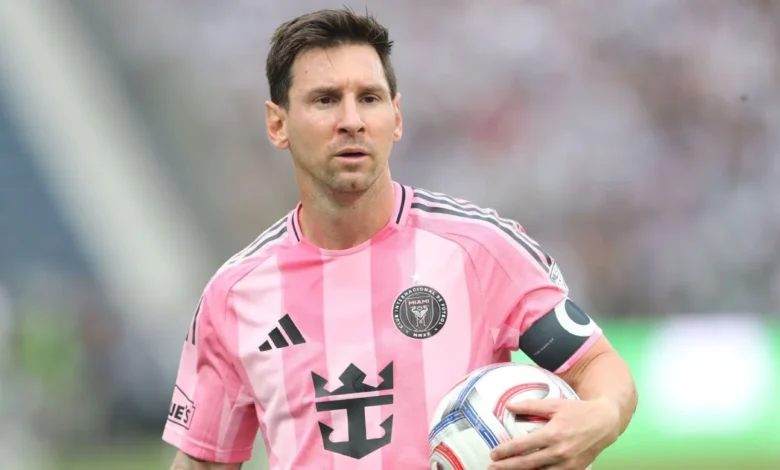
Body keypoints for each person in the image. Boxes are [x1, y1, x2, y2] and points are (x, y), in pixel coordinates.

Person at [163, 7, 638, 470]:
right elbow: (203, 462)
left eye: (369, 98)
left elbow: (599, 367)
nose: (352, 120)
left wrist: (600, 417)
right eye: (325, 100)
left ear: (397, 116)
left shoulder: (479, 249)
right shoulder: (234, 296)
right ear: (277, 124)